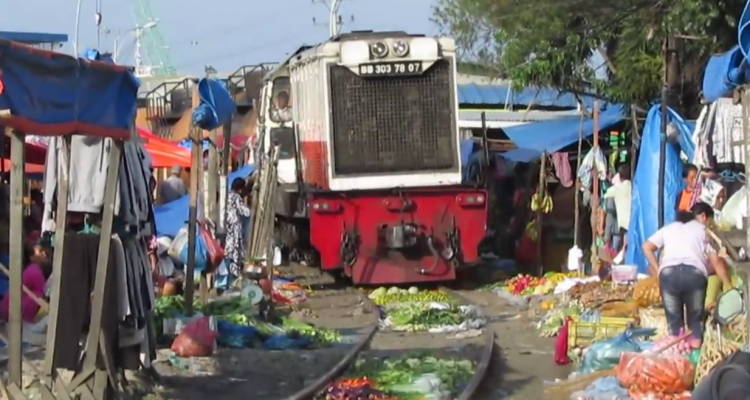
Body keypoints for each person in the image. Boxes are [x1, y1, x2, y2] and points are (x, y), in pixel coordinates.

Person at [642, 202, 732, 347]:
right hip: (694, 275)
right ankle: (695, 354)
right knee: (695, 323)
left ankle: (678, 359)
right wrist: (728, 285)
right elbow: (716, 262)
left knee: (675, 326)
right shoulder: (703, 230)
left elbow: (646, 246)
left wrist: (658, 269)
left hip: (668, 275)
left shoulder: (668, 229)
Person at [0, 244, 48, 323]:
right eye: (40, 252)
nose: (44, 253)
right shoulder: (35, 272)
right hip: (13, 312)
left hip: (9, 308)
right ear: (32, 258)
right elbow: (43, 294)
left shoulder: (31, 269)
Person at [225, 178, 252, 277]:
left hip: (227, 227)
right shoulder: (236, 197)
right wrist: (252, 211)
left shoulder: (226, 195)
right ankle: (235, 275)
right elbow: (244, 211)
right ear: (240, 189)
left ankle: (228, 273)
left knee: (229, 250)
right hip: (234, 227)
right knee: (236, 250)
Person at [603, 164, 632, 253]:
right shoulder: (633, 186)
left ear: (619, 176)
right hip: (633, 222)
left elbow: (605, 195)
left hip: (623, 225)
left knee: (624, 249)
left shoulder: (617, 188)